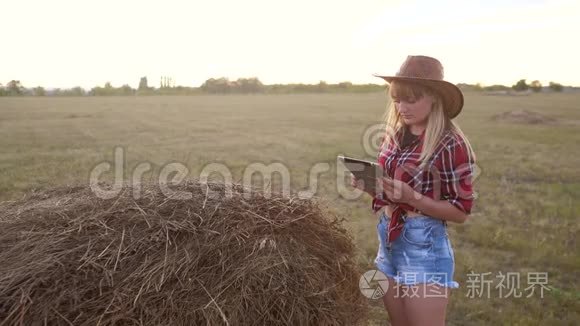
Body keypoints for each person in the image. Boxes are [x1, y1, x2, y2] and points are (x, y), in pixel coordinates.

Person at [351, 55, 477, 326]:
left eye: (411, 99)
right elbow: (393, 192)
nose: (401, 107)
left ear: (434, 97)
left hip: (424, 247)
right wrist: (372, 186)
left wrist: (412, 198)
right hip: (388, 241)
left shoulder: (451, 144)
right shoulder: (394, 136)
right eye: (397, 99)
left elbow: (460, 212)